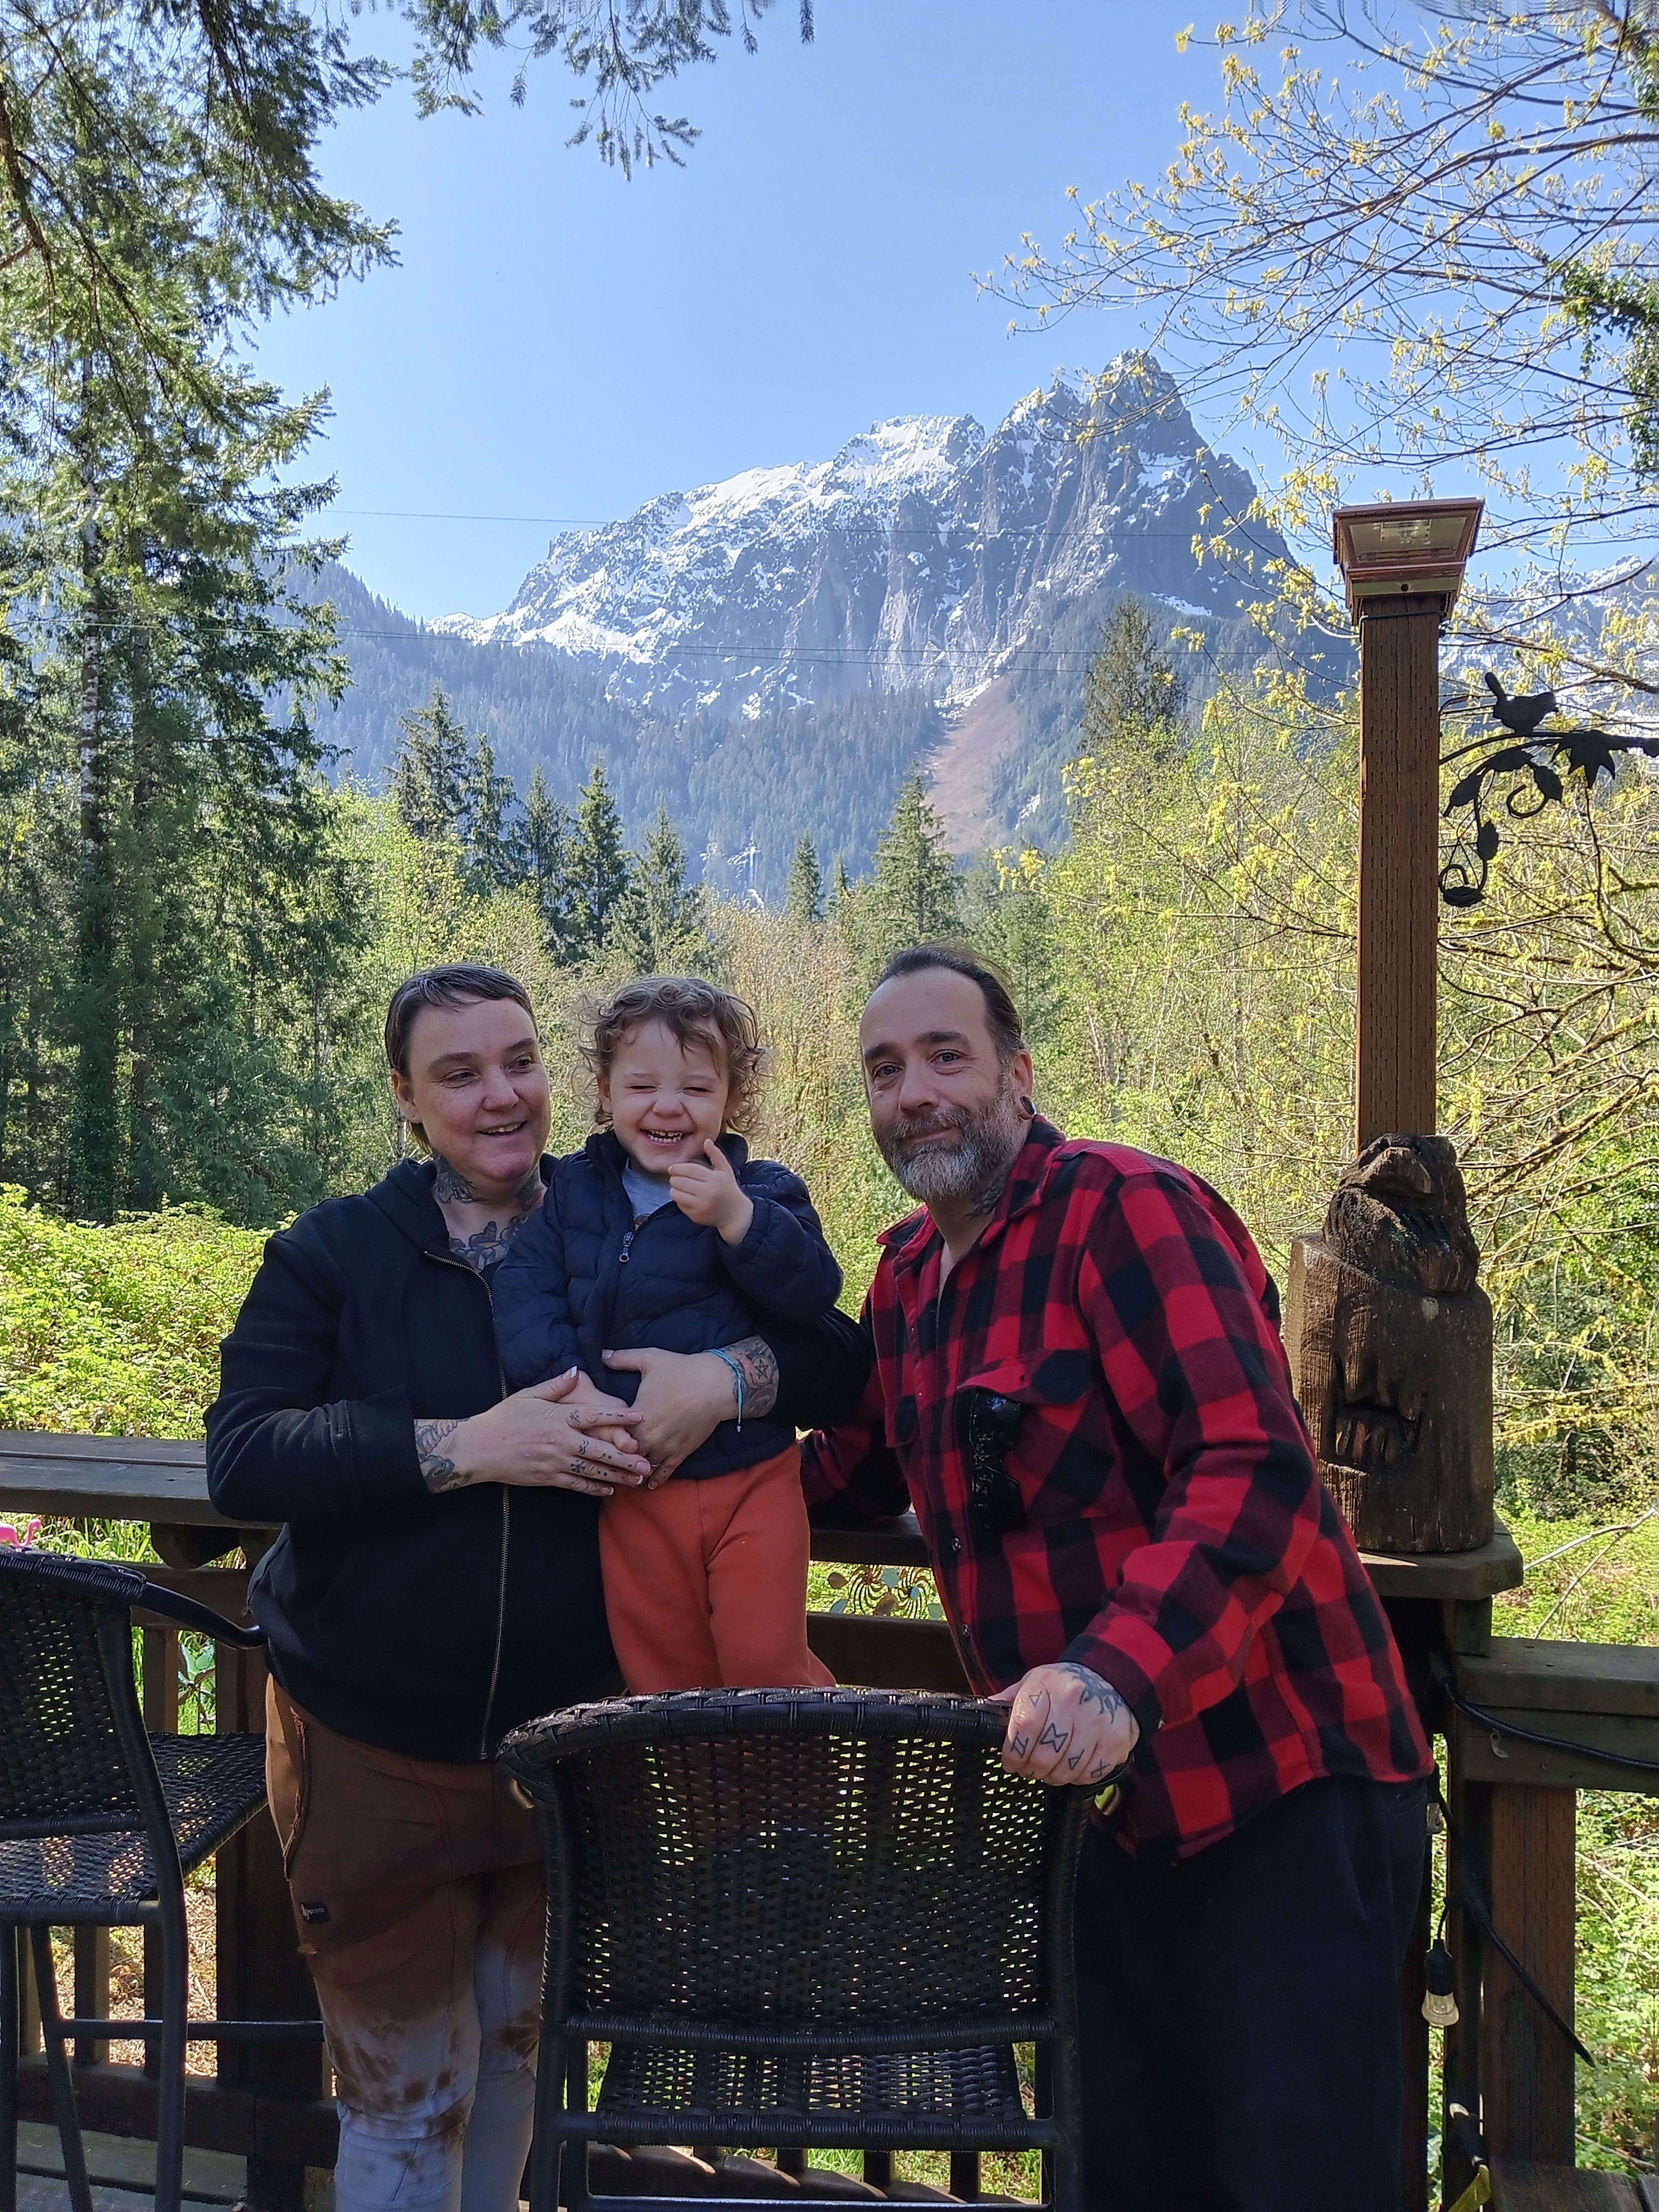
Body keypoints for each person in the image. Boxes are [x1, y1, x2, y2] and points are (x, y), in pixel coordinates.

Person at [206, 964, 866, 2212]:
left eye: (519, 1061)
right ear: (407, 1096)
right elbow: (245, 1453)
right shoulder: (335, 1251)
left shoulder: (626, 1206)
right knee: (403, 2097)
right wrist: (464, 1446)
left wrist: (724, 1381)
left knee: (515, 2059)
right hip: (371, 1746)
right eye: (459, 1073)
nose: (501, 1094)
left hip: (562, 1754)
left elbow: (838, 1357)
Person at [802, 943, 1435, 2212]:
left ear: (1018, 1074)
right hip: (1095, 1823)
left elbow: (1251, 1466)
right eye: (885, 1069)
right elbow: (849, 1475)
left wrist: (1113, 1672)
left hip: (1277, 1791)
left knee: (1302, 2180)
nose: (916, 1091)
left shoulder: (1126, 1211)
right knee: (1117, 2178)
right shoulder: (907, 1281)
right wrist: (657, 1450)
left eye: (946, 1056)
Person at [494, 976, 841, 1692]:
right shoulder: (575, 1192)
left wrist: (738, 1220)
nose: (668, 1105)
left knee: (764, 1664)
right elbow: (525, 1295)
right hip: (634, 1483)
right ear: (606, 1090)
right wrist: (572, 1388)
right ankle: (694, 1773)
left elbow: (812, 1293)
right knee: (663, 1675)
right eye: (642, 1085)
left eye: (697, 1088)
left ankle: (797, 1766)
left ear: (731, 1099)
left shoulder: (761, 1191)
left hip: (751, 1477)